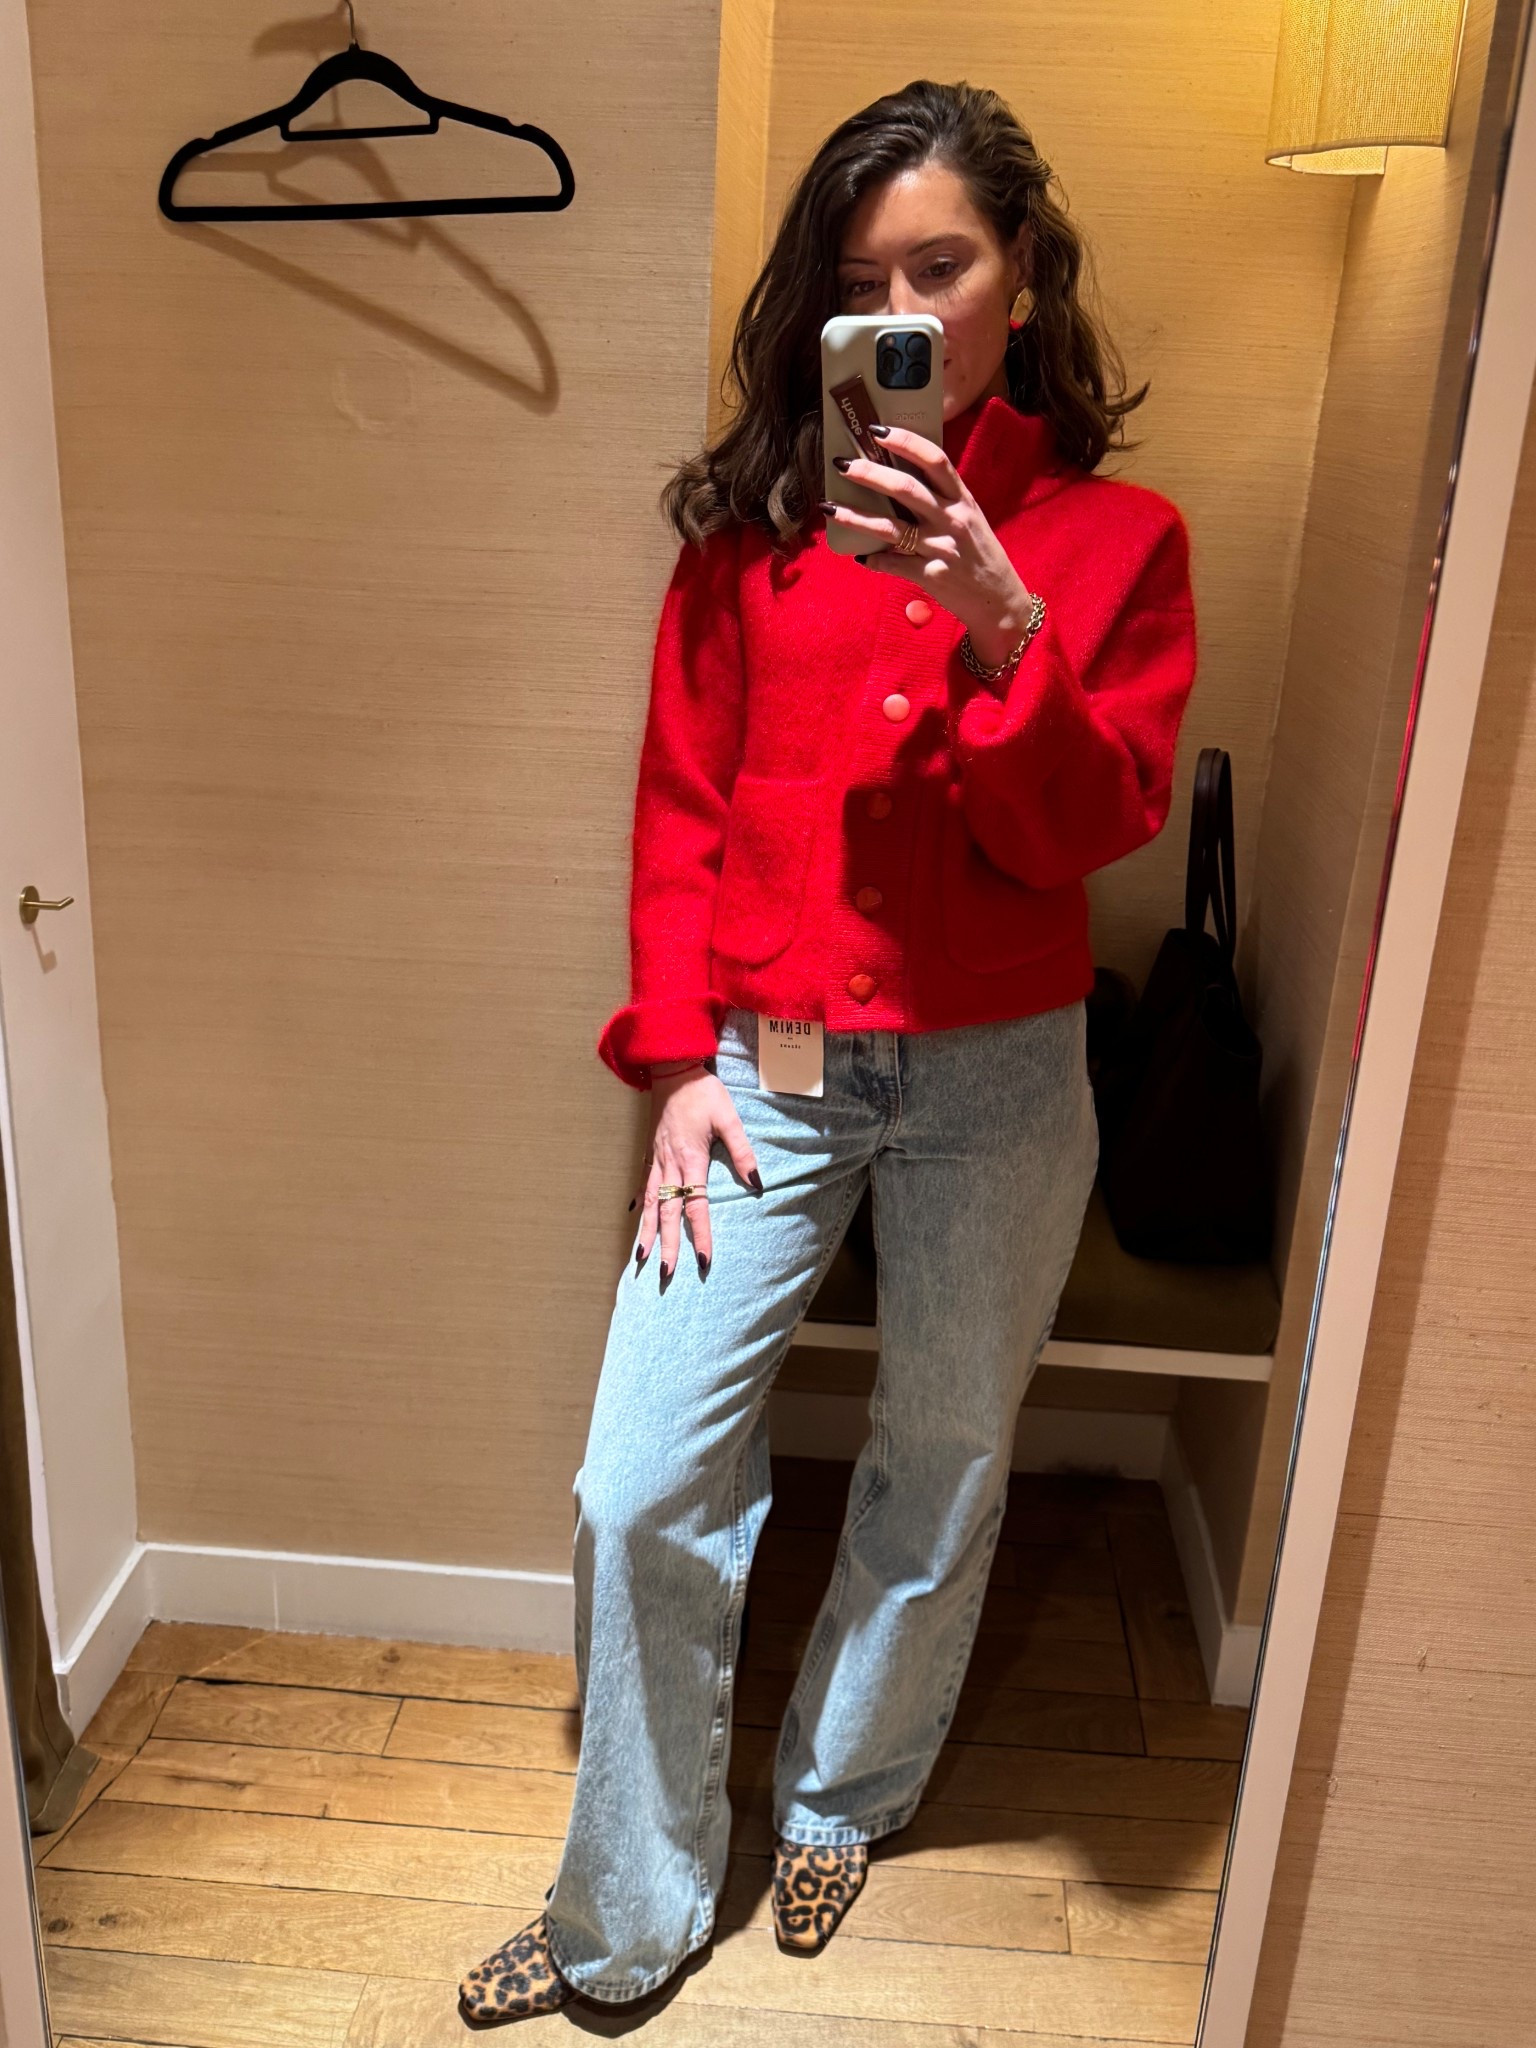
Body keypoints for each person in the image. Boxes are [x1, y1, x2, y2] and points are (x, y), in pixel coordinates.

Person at [459, 76, 1197, 2024]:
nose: (904, 313)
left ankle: (839, 1800)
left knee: (941, 1456)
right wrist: (675, 1062)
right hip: (763, 1063)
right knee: (640, 1485)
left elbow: (1084, 830)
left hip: (1001, 1078)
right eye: (864, 281)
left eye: (942, 266)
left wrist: (998, 620)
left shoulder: (1119, 543)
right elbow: (679, 811)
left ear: (1020, 278)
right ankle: (626, 1915)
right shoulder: (747, 544)